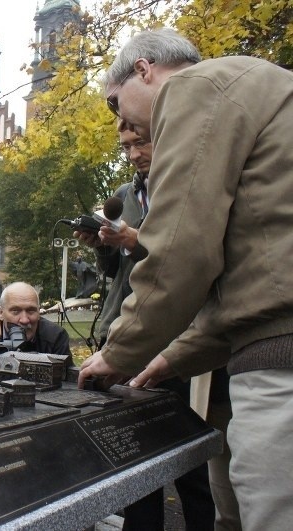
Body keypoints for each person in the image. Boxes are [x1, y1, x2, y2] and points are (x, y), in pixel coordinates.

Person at [78, 27, 293, 530]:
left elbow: (179, 252)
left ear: (144, 69)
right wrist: (172, 358)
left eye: (115, 106)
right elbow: (263, 277)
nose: (123, 125)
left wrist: (119, 352)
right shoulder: (261, 87)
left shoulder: (194, 87)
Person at [76, 127, 217, 531]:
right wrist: (102, 244)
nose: (134, 153)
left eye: (142, 143)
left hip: (175, 340)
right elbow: (115, 271)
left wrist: (133, 239)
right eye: (127, 146)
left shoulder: (188, 187)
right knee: (134, 459)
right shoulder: (124, 193)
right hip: (121, 330)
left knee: (190, 457)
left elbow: (186, 258)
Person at [0, 282, 71, 360]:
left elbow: (65, 371)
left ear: (39, 312)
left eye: (31, 310)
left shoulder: (55, 336)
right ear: (1, 313)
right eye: (15, 311)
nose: (24, 320)